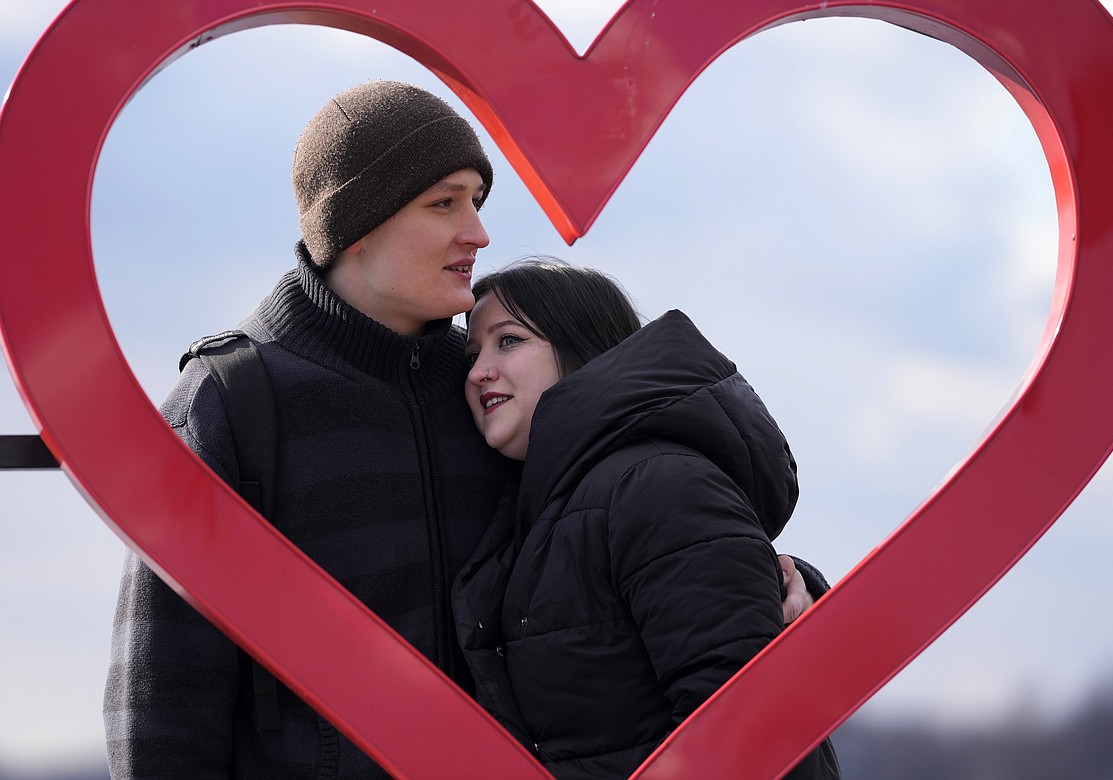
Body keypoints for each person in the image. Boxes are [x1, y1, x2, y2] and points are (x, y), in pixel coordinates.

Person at [103, 81, 819, 778]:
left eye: (475, 202)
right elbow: (164, 696)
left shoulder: (490, 395)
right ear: (357, 225)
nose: (476, 233)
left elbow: (624, 552)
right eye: (443, 204)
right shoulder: (232, 401)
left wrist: (790, 602)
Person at [453, 259, 841, 779]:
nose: (478, 371)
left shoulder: (657, 484)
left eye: (509, 341)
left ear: (581, 346)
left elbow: (740, 727)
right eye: (472, 354)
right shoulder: (544, 513)